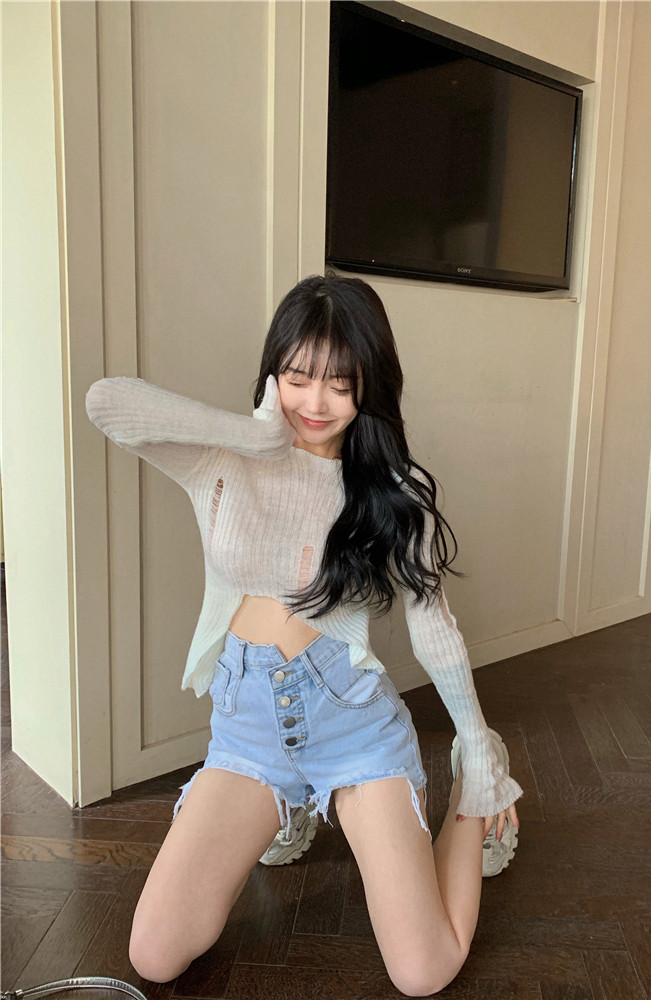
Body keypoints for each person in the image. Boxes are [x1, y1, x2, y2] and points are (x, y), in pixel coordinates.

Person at [85, 274, 523, 995]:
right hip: (249, 729)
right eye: (297, 378)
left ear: (369, 386)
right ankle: (287, 809)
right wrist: (255, 436)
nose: (315, 404)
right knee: (153, 956)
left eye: (340, 385)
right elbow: (106, 403)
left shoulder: (393, 489)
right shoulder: (222, 460)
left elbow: (433, 627)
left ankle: (467, 811)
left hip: (353, 727)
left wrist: (476, 747)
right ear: (272, 374)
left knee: (424, 971)